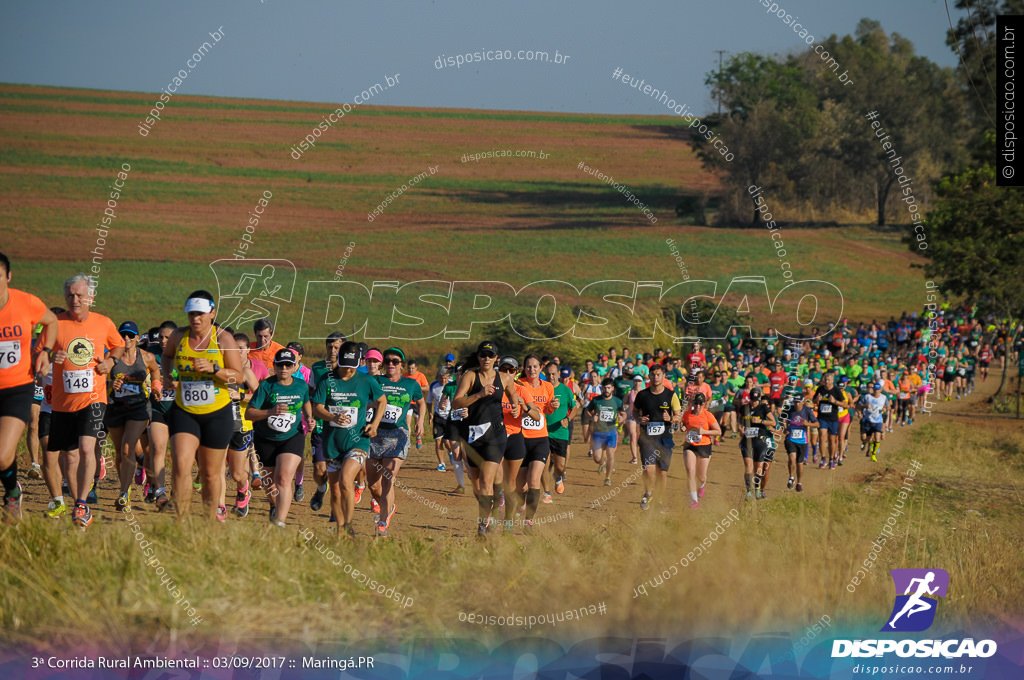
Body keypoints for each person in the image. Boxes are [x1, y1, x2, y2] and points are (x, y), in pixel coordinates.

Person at [48, 274, 125, 528]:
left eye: (80, 295)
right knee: (69, 457)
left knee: (85, 448)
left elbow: (119, 346)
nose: (75, 300)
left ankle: (82, 504)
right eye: (70, 295)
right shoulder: (55, 323)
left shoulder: (103, 323)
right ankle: (75, 500)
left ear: (90, 297)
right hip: (62, 402)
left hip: (94, 398)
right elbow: (39, 349)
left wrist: (111, 361)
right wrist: (50, 355)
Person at [161, 290, 243, 521]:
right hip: (184, 410)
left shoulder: (223, 339)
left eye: (201, 314)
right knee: (180, 465)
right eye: (191, 314)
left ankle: (209, 522)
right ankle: (182, 521)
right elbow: (166, 356)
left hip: (217, 414)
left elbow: (238, 377)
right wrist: (167, 376)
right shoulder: (179, 336)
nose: (195, 318)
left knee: (209, 473)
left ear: (212, 313)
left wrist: (215, 370)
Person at [0, 252, 58, 521]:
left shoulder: (26, 303)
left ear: (8, 277)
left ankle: (12, 492)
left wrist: (45, 350)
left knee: (2, 455)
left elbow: (52, 321)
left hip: (17, 388)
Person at [310, 341, 386, 538]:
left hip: (358, 441)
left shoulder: (366, 381)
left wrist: (375, 424)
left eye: (352, 367)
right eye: (345, 366)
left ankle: (348, 526)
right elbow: (317, 406)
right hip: (332, 442)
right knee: (334, 491)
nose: (348, 371)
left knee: (346, 480)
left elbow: (382, 400)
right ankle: (341, 528)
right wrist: (332, 417)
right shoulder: (327, 380)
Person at [452, 341, 521, 535]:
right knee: (476, 485)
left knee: (485, 481)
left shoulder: (505, 378)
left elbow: (513, 394)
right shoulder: (470, 376)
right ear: (479, 357)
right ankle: (491, 509)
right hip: (473, 435)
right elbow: (456, 402)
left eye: (491, 356)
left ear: (496, 359)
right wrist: (479, 394)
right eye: (483, 355)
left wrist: (515, 407)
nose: (487, 359)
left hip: (496, 435)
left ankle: (483, 525)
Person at [246, 348, 312, 527]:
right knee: (270, 483)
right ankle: (274, 505)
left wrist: (310, 418)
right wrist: (270, 411)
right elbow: (249, 413)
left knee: (283, 478)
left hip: (292, 436)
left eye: (288, 365)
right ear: (274, 366)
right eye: (280, 364)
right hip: (265, 438)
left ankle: (280, 523)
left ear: (294, 367)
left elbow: (306, 402)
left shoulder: (301, 385)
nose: (284, 368)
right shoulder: (266, 386)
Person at [366, 347, 425, 538]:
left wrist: (420, 421)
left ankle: (383, 522)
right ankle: (388, 507)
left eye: (395, 361)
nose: (391, 364)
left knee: (388, 478)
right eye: (388, 361)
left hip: (398, 436)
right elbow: (363, 399)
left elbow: (422, 402)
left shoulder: (411, 384)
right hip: (375, 434)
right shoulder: (376, 380)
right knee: (373, 485)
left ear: (402, 364)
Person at [106, 320, 161, 510]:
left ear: (137, 338)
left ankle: (122, 493)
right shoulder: (110, 357)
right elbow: (96, 377)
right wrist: (109, 385)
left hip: (139, 407)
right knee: (120, 453)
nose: (126, 339)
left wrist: (156, 385)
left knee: (128, 447)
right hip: (115, 406)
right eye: (123, 335)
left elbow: (155, 371)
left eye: (130, 335)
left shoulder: (146, 357)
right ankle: (126, 490)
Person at [513, 355, 559, 528]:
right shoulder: (519, 385)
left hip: (540, 439)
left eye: (535, 367)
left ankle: (529, 521)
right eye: (528, 367)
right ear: (524, 369)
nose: (532, 370)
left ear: (541, 368)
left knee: (533, 480)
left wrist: (551, 408)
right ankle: (521, 503)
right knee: (521, 486)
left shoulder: (547, 386)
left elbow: (547, 412)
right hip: (521, 438)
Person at [633, 364, 681, 511]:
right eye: (653, 375)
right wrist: (639, 419)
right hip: (647, 438)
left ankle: (659, 500)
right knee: (648, 469)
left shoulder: (671, 395)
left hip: (665, 438)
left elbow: (678, 417)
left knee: (662, 472)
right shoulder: (642, 395)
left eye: (658, 374)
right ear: (649, 376)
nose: (655, 377)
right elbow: (634, 412)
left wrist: (671, 418)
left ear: (663, 376)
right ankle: (648, 492)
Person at [308, 331, 345, 512]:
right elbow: (309, 394)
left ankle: (335, 512)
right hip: (321, 426)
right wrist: (309, 417)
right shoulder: (316, 368)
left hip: (342, 428)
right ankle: (321, 488)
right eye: (329, 346)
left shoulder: (348, 370)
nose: (332, 350)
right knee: (319, 472)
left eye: (336, 347)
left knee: (339, 473)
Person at [681, 392, 721, 508]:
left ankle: (702, 484)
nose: (698, 406)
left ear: (704, 404)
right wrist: (683, 427)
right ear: (693, 403)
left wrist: (704, 432)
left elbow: (718, 431)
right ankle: (694, 500)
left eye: (700, 404)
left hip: (704, 446)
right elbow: (684, 424)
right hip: (689, 445)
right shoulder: (687, 414)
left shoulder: (708, 415)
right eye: (696, 403)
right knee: (690, 471)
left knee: (701, 476)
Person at [545, 362, 577, 496]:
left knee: (560, 467)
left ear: (558, 374)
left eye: (553, 374)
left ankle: (558, 478)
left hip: (560, 432)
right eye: (548, 374)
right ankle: (546, 492)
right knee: (543, 465)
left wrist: (567, 419)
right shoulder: (542, 388)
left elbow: (574, 408)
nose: (551, 376)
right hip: (543, 432)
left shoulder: (566, 390)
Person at [586, 378, 625, 486]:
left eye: (608, 388)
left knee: (610, 455)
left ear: (612, 388)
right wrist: (592, 417)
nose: (606, 390)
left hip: (611, 433)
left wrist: (622, 418)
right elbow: (587, 411)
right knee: (597, 458)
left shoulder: (617, 401)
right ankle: (602, 463)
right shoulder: (596, 400)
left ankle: (608, 478)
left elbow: (623, 413)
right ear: (601, 388)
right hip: (597, 433)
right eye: (604, 388)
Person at [813, 372, 850, 470]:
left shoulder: (837, 391)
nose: (826, 381)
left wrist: (835, 402)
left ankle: (831, 460)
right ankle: (823, 459)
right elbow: (814, 401)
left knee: (832, 440)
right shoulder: (820, 389)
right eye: (825, 379)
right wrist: (817, 399)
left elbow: (845, 405)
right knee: (821, 437)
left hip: (833, 419)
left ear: (832, 381)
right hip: (822, 418)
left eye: (829, 380)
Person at [783, 396, 817, 492]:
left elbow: (817, 424)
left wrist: (807, 424)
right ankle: (791, 477)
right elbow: (782, 419)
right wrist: (785, 429)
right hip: (791, 439)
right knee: (791, 458)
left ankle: (799, 483)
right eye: (795, 402)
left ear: (802, 402)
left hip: (802, 441)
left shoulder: (807, 411)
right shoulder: (789, 409)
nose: (797, 404)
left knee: (800, 463)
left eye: (799, 402)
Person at [858, 382, 887, 462]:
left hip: (878, 420)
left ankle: (873, 455)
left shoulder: (883, 397)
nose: (876, 391)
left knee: (877, 438)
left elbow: (887, 406)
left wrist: (885, 409)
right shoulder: (867, 397)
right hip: (868, 420)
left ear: (880, 390)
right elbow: (859, 405)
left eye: (878, 389)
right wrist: (865, 407)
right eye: (875, 389)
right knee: (867, 438)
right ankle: (868, 446)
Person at [427, 369, 449, 471]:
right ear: (438, 377)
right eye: (441, 378)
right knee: (438, 440)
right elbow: (429, 401)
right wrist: (430, 413)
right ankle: (441, 463)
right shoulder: (433, 385)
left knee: (448, 442)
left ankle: (451, 452)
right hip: (438, 416)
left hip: (450, 417)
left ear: (448, 377)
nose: (443, 380)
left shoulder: (453, 384)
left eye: (445, 378)